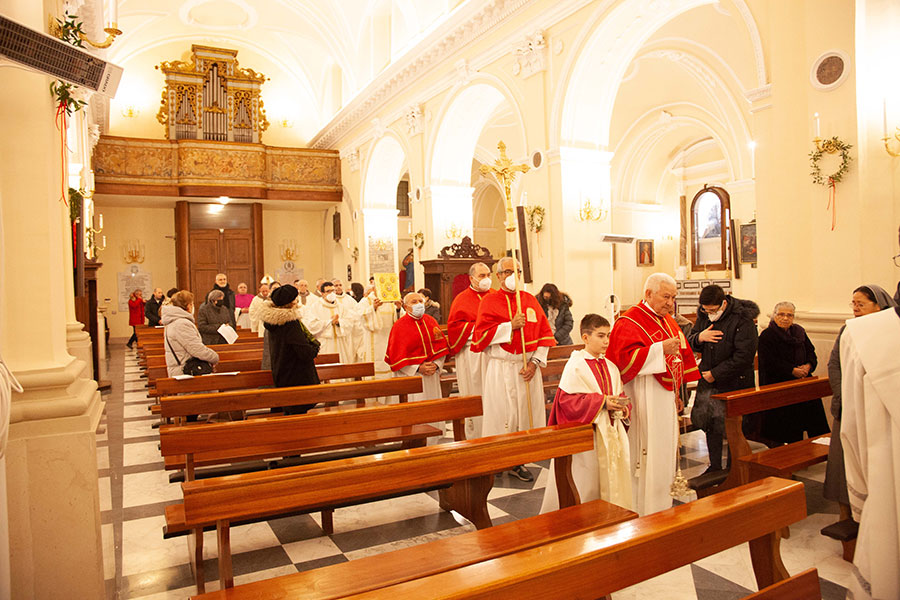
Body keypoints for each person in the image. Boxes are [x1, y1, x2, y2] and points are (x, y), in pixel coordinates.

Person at [606, 273, 699, 515]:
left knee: (665, 449)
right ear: (648, 294)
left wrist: (676, 394)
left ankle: (661, 501)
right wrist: (659, 349)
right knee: (646, 450)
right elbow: (624, 361)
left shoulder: (668, 321)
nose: (671, 303)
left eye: (674, 297)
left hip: (664, 397)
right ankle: (642, 505)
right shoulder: (629, 321)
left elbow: (678, 360)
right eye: (666, 296)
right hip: (642, 395)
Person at [840, 279, 900, 600]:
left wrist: (862, 499)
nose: (854, 308)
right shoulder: (858, 333)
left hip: (888, 484)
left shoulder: (865, 337)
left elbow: (852, 426)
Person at [472, 257, 556, 482]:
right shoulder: (490, 302)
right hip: (502, 369)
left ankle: (519, 460)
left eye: (517, 271)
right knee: (502, 414)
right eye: (508, 271)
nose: (513, 275)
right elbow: (481, 337)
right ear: (498, 276)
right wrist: (510, 326)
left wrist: (534, 363)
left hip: (526, 369)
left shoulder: (530, 300)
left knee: (522, 415)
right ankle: (499, 458)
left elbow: (545, 336)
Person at [540, 314, 632, 513]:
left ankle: (611, 516)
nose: (606, 341)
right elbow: (567, 403)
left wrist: (623, 407)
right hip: (588, 440)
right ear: (585, 337)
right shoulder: (576, 366)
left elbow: (621, 394)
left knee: (611, 482)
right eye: (601, 336)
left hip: (611, 434)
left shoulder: (611, 366)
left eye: (608, 335)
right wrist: (602, 402)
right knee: (588, 486)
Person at [824, 285, 895, 518]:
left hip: (877, 407)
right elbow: (834, 365)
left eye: (861, 304)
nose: (855, 308)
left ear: (879, 306)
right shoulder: (849, 329)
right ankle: (847, 515)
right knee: (843, 463)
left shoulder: (890, 330)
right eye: (853, 303)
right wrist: (845, 396)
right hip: (848, 406)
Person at [687, 285, 759, 474]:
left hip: (735, 380)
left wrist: (716, 373)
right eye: (705, 310)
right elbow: (691, 341)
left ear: (723, 303)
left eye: (713, 310)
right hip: (708, 380)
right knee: (710, 423)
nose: (709, 314)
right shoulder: (703, 316)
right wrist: (700, 337)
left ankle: (734, 467)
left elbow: (744, 356)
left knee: (734, 426)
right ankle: (715, 466)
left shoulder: (743, 319)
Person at [757, 302, 829, 444]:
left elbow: (811, 353)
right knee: (786, 426)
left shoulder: (799, 332)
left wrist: (808, 366)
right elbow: (769, 361)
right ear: (774, 315)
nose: (785, 318)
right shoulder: (767, 335)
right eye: (781, 314)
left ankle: (817, 448)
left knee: (812, 417)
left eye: (789, 315)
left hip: (802, 381)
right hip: (779, 384)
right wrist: (792, 370)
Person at [446, 262, 493, 438]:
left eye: (488, 275)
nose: (486, 279)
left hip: (494, 353)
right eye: (482, 276)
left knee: (494, 395)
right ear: (471, 278)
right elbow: (455, 327)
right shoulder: (462, 299)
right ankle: (476, 436)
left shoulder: (496, 296)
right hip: (472, 354)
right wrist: (481, 329)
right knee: (476, 395)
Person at [259, 284, 321, 414]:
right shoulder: (290, 323)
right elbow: (304, 352)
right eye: (295, 298)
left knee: (290, 411)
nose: (296, 301)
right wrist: (315, 347)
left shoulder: (274, 322)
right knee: (297, 413)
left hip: (282, 371)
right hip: (297, 376)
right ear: (290, 302)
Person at [385, 292, 450, 410]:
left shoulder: (431, 321)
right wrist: (418, 368)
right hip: (412, 377)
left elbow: (441, 347)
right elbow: (396, 357)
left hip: (432, 376)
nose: (418, 304)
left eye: (420, 301)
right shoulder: (399, 326)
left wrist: (436, 365)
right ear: (406, 307)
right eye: (414, 302)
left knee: (434, 410)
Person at [160, 290, 219, 378]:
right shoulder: (181, 323)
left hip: (182, 370)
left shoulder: (174, 320)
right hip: (186, 372)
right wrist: (214, 357)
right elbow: (196, 349)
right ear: (188, 306)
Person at [303, 281, 356, 362]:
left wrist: (339, 322)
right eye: (328, 291)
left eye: (333, 291)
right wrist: (329, 322)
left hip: (340, 343)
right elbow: (311, 325)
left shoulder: (341, 307)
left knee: (342, 366)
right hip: (324, 343)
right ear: (322, 293)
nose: (331, 293)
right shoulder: (315, 307)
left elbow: (349, 321)